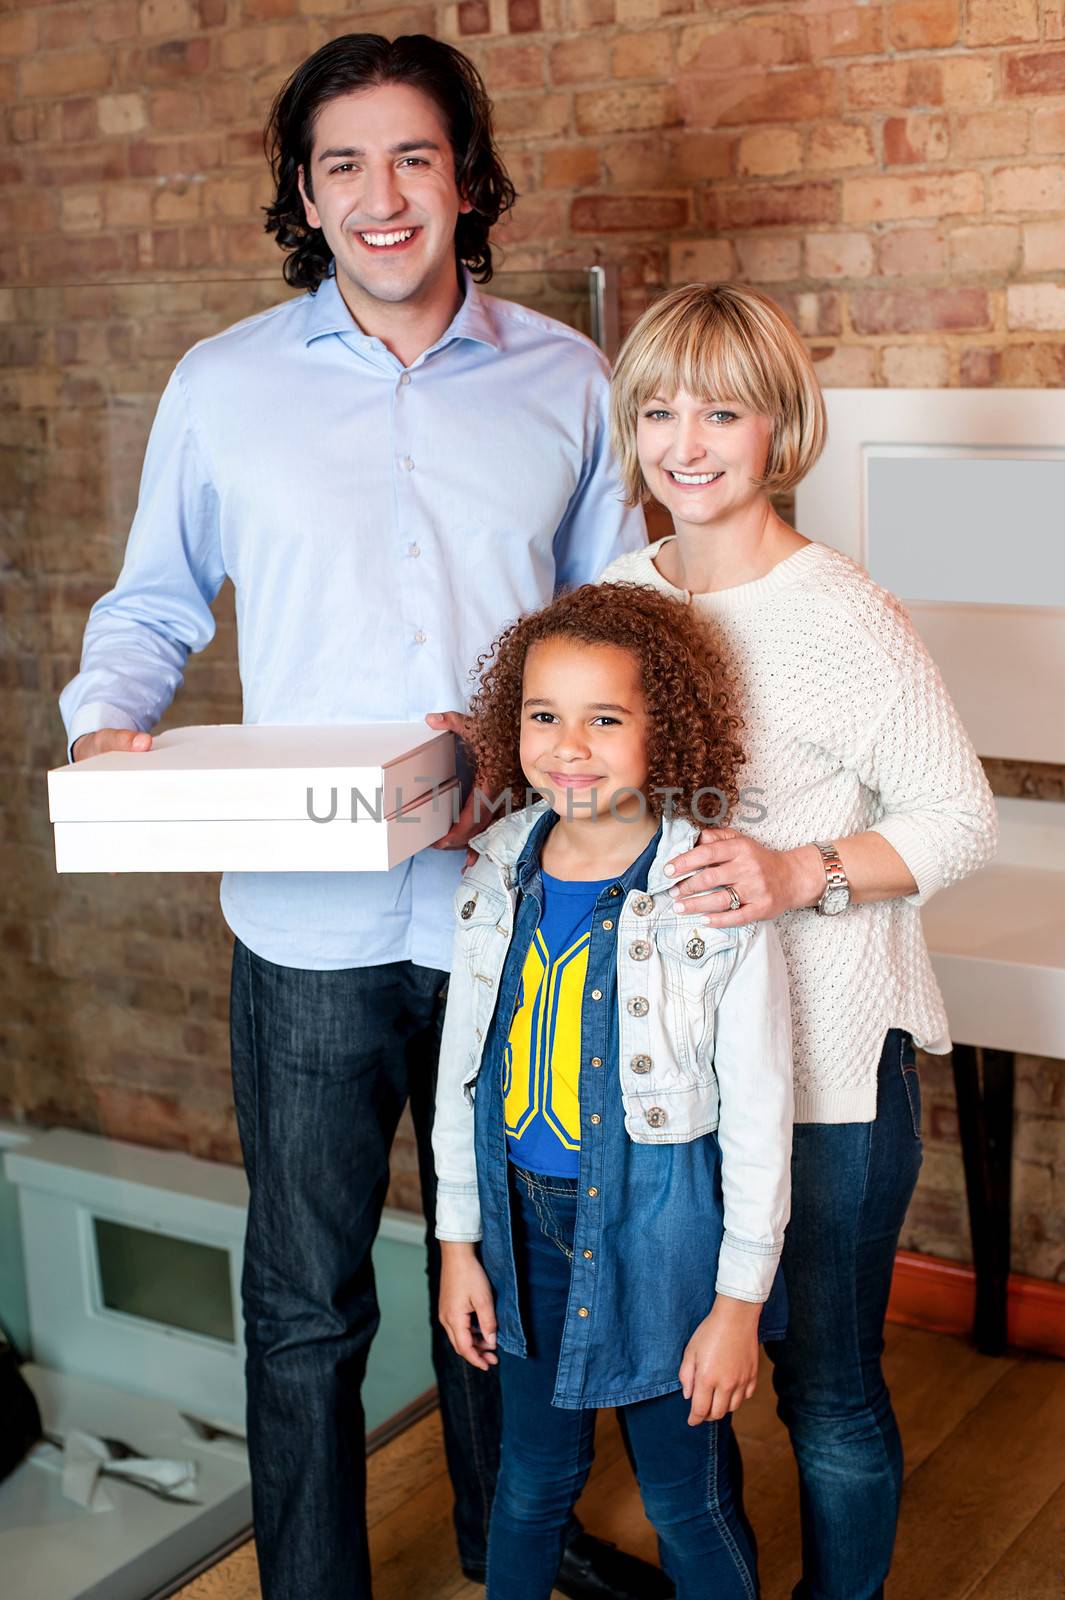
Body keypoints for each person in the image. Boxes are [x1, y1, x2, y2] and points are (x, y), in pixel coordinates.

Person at [57, 33, 655, 1600]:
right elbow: (151, 603)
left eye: (411, 158)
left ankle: (505, 1539)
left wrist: (535, 762)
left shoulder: (568, 380)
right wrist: (110, 722)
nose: (380, 196)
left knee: (508, 1266)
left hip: (508, 912)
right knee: (309, 1297)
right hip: (306, 927)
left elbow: (621, 624)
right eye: (342, 166)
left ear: (466, 179)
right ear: (304, 198)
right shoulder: (223, 386)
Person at [600, 282, 999, 1600]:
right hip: (665, 1077)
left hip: (827, 1069)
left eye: (722, 409)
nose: (687, 442)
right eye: (659, 409)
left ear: (780, 426)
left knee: (824, 1385)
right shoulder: (613, 597)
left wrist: (796, 873)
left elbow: (959, 823)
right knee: (680, 1373)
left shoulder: (841, 617)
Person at [432, 583, 795, 1600]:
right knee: (531, 1479)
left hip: (660, 1230)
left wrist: (735, 1307)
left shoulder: (710, 886)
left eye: (605, 718)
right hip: (520, 1227)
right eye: (544, 715)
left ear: (662, 729)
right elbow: (464, 1073)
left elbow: (761, 1111)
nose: (569, 746)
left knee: (687, 1497)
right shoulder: (498, 867)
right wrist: (459, 1247)